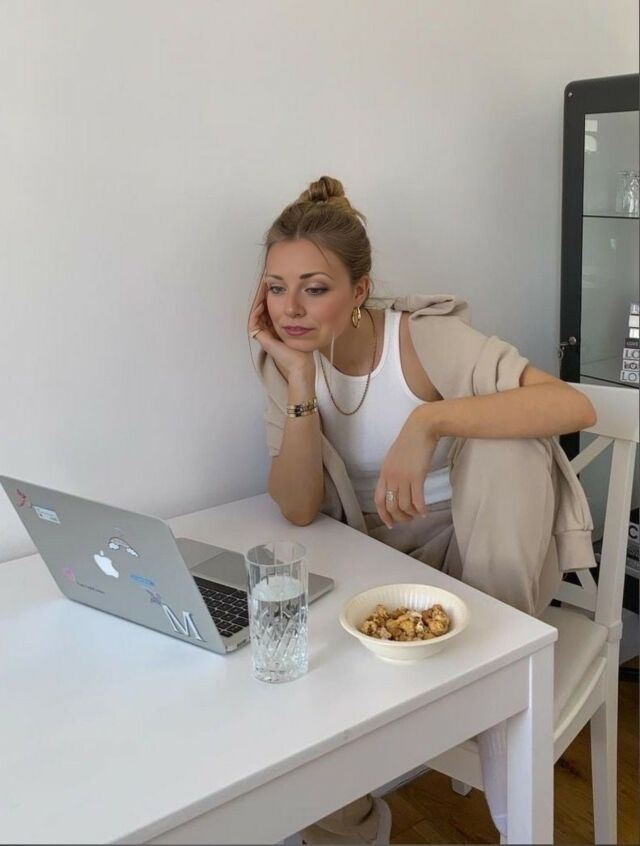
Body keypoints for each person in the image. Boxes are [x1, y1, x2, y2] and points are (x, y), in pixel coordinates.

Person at [247, 175, 597, 844]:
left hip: (481, 554)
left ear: (359, 291)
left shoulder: (422, 338)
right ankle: (352, 827)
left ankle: (497, 695)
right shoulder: (285, 363)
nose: (290, 308)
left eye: (314, 288)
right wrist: (299, 382)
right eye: (276, 287)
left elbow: (572, 405)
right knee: (290, 677)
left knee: (509, 448)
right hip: (375, 569)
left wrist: (429, 420)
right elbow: (297, 508)